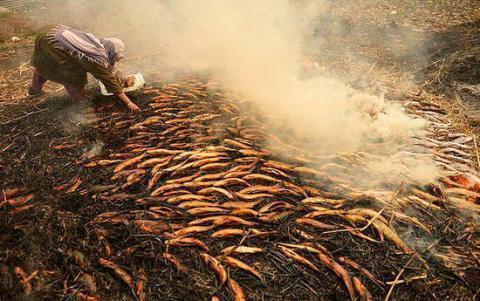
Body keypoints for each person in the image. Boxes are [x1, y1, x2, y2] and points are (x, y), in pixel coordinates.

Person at [29, 25, 140, 113]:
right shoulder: (97, 58)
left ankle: (34, 89)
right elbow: (108, 80)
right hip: (52, 40)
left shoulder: (97, 43)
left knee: (44, 62)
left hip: (49, 32)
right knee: (72, 74)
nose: (115, 59)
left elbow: (108, 69)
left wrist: (117, 73)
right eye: (115, 56)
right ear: (112, 51)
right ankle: (80, 101)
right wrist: (129, 103)